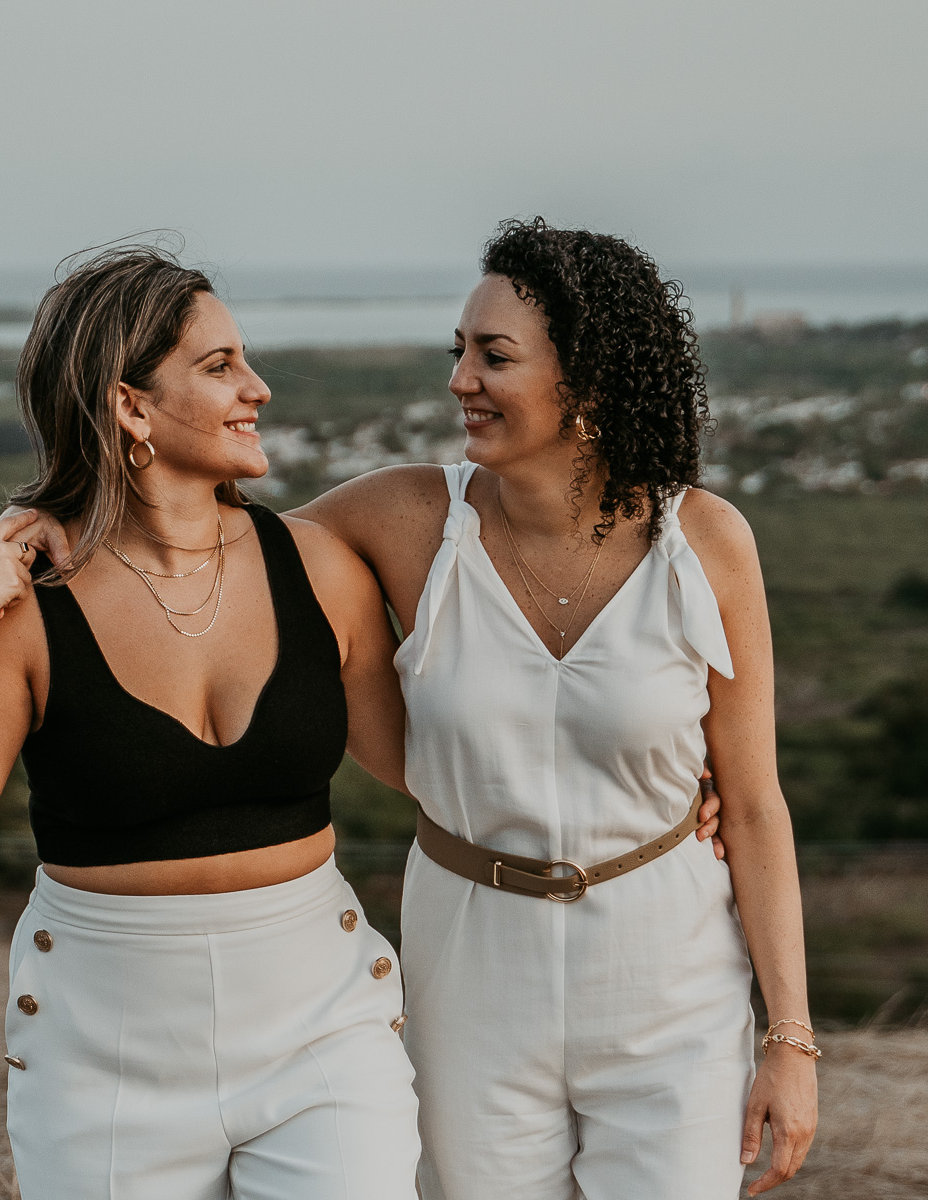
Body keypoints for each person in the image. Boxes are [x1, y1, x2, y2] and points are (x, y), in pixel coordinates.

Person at [0, 244, 432, 1200]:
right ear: (130, 405)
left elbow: (435, 768)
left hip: (321, 1022)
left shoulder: (320, 570)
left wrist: (664, 780)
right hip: (101, 1051)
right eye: (219, 367)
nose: (259, 387)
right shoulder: (29, 608)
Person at [290, 218, 818, 1198]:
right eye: (459, 352)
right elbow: (222, 564)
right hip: (468, 962)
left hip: (671, 971)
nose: (460, 380)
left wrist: (790, 1037)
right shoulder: (406, 519)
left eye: (494, 356)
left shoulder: (704, 542)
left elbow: (752, 805)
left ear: (589, 379)